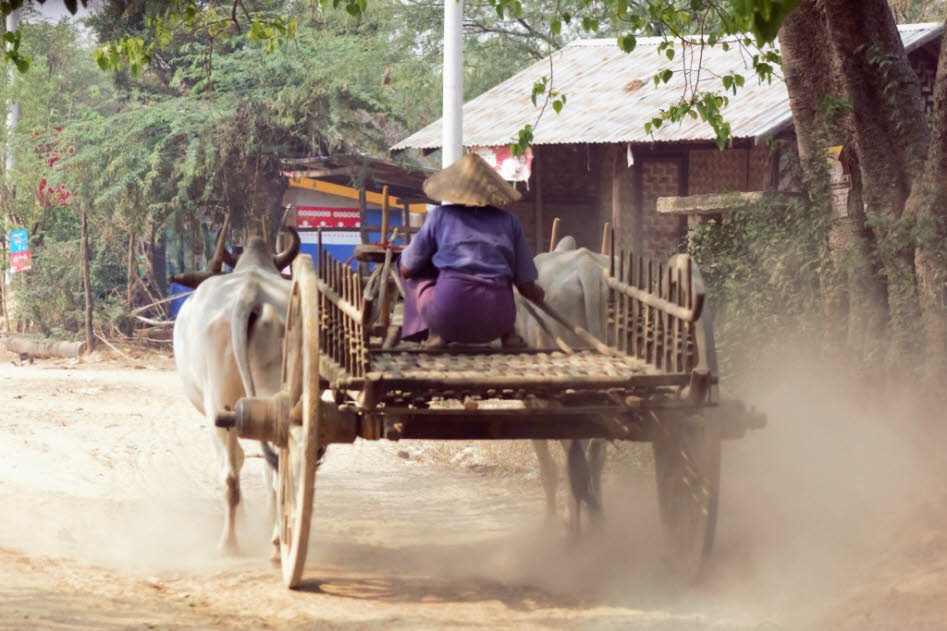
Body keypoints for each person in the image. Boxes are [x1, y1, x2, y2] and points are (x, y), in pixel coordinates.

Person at [398, 153, 545, 348]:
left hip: (448, 316)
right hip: (497, 322)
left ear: (453, 190)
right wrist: (538, 294)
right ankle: (508, 334)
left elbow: (408, 269)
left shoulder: (440, 216)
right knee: (502, 283)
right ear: (491, 193)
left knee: (412, 269)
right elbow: (526, 286)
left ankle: (437, 333)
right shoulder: (509, 221)